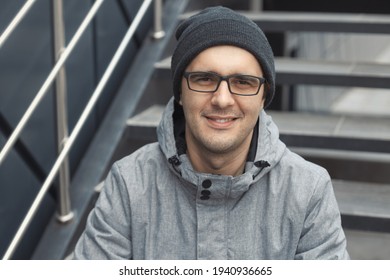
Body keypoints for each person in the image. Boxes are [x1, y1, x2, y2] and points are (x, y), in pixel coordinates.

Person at [72, 6, 349, 260]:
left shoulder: (307, 190)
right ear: (180, 92)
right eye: (205, 79)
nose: (223, 99)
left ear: (264, 97)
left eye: (243, 82)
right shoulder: (130, 184)